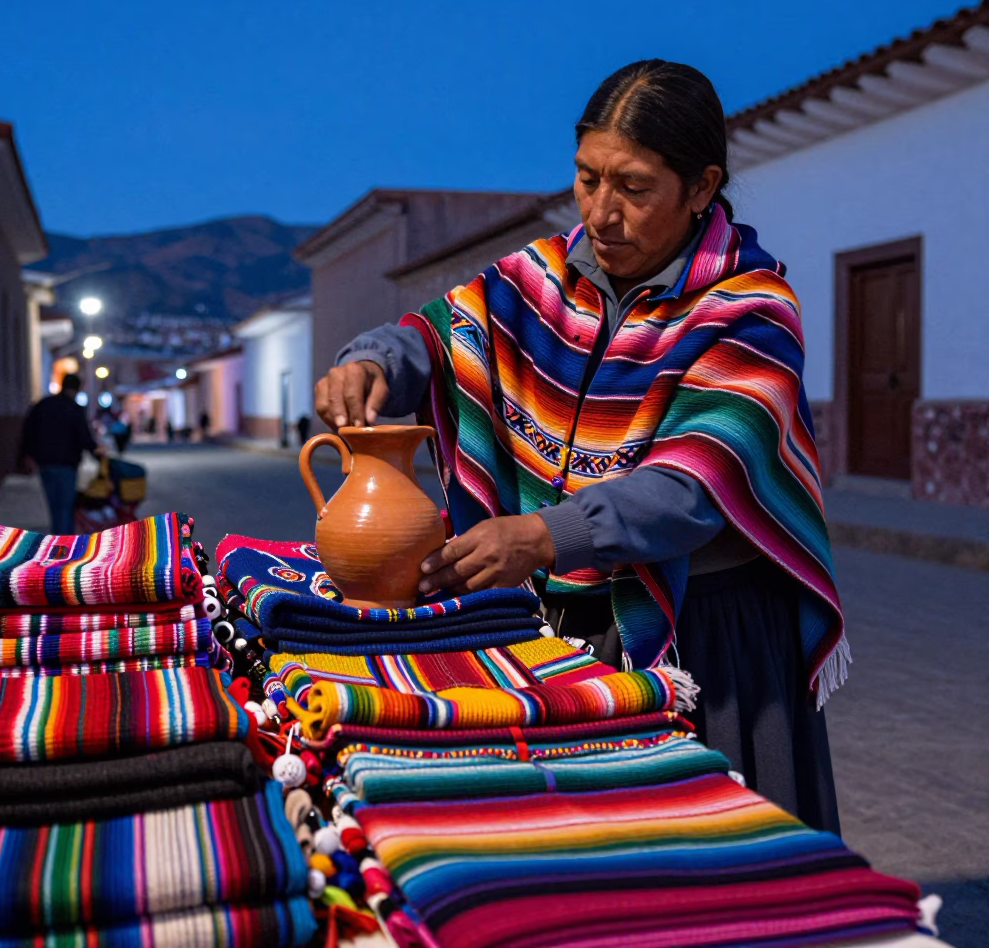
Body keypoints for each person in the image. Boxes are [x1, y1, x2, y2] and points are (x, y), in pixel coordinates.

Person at [315, 60, 848, 834]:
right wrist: (368, 363)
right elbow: (430, 337)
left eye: (633, 188)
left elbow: (696, 485)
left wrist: (544, 535)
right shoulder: (538, 279)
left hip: (704, 642)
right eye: (587, 179)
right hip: (560, 626)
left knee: (705, 863)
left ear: (701, 188)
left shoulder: (750, 312)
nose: (600, 213)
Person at [20, 372, 103, 534]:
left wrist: (28, 455)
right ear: (77, 389)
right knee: (65, 508)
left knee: (54, 507)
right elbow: (84, 437)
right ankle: (65, 546)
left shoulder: (42, 405)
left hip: (44, 464)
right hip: (67, 465)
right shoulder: (75, 409)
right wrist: (98, 455)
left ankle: (58, 541)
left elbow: (28, 432)